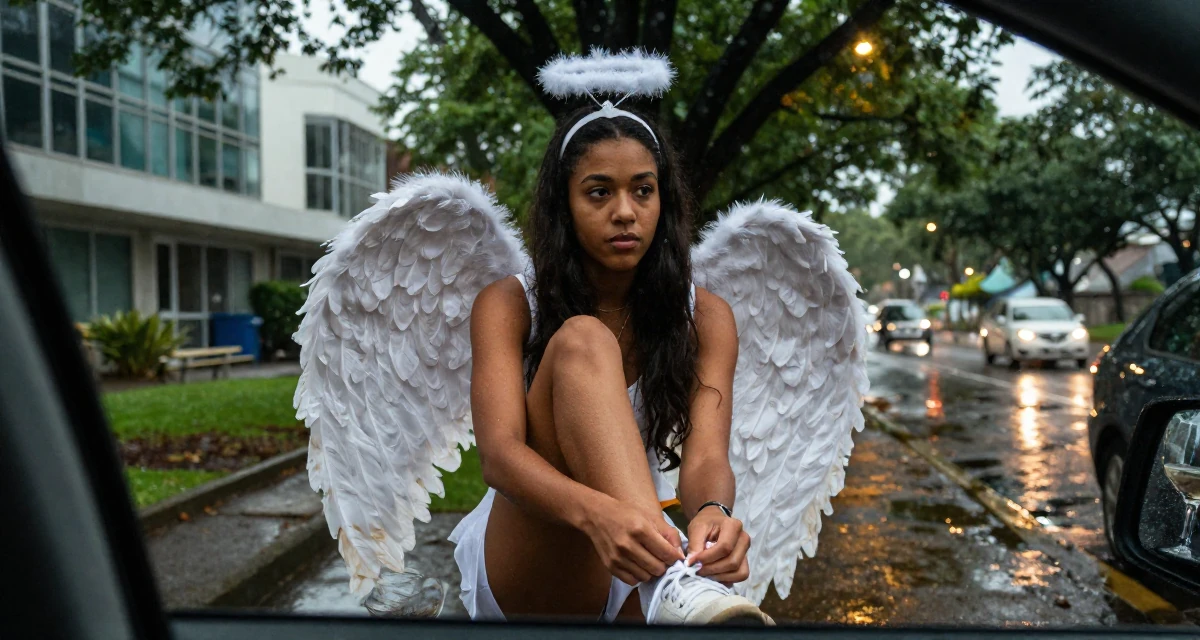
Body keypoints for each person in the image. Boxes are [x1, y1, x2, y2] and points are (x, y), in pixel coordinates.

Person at [448, 100, 773, 625]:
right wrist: (600, 516)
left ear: (662, 200)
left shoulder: (706, 317)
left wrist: (715, 511)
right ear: (564, 204)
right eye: (599, 192)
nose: (625, 211)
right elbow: (500, 457)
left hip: (638, 551)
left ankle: (667, 582)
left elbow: (707, 456)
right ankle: (670, 584)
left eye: (643, 190)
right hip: (538, 546)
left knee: (665, 554)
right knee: (582, 340)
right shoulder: (509, 304)